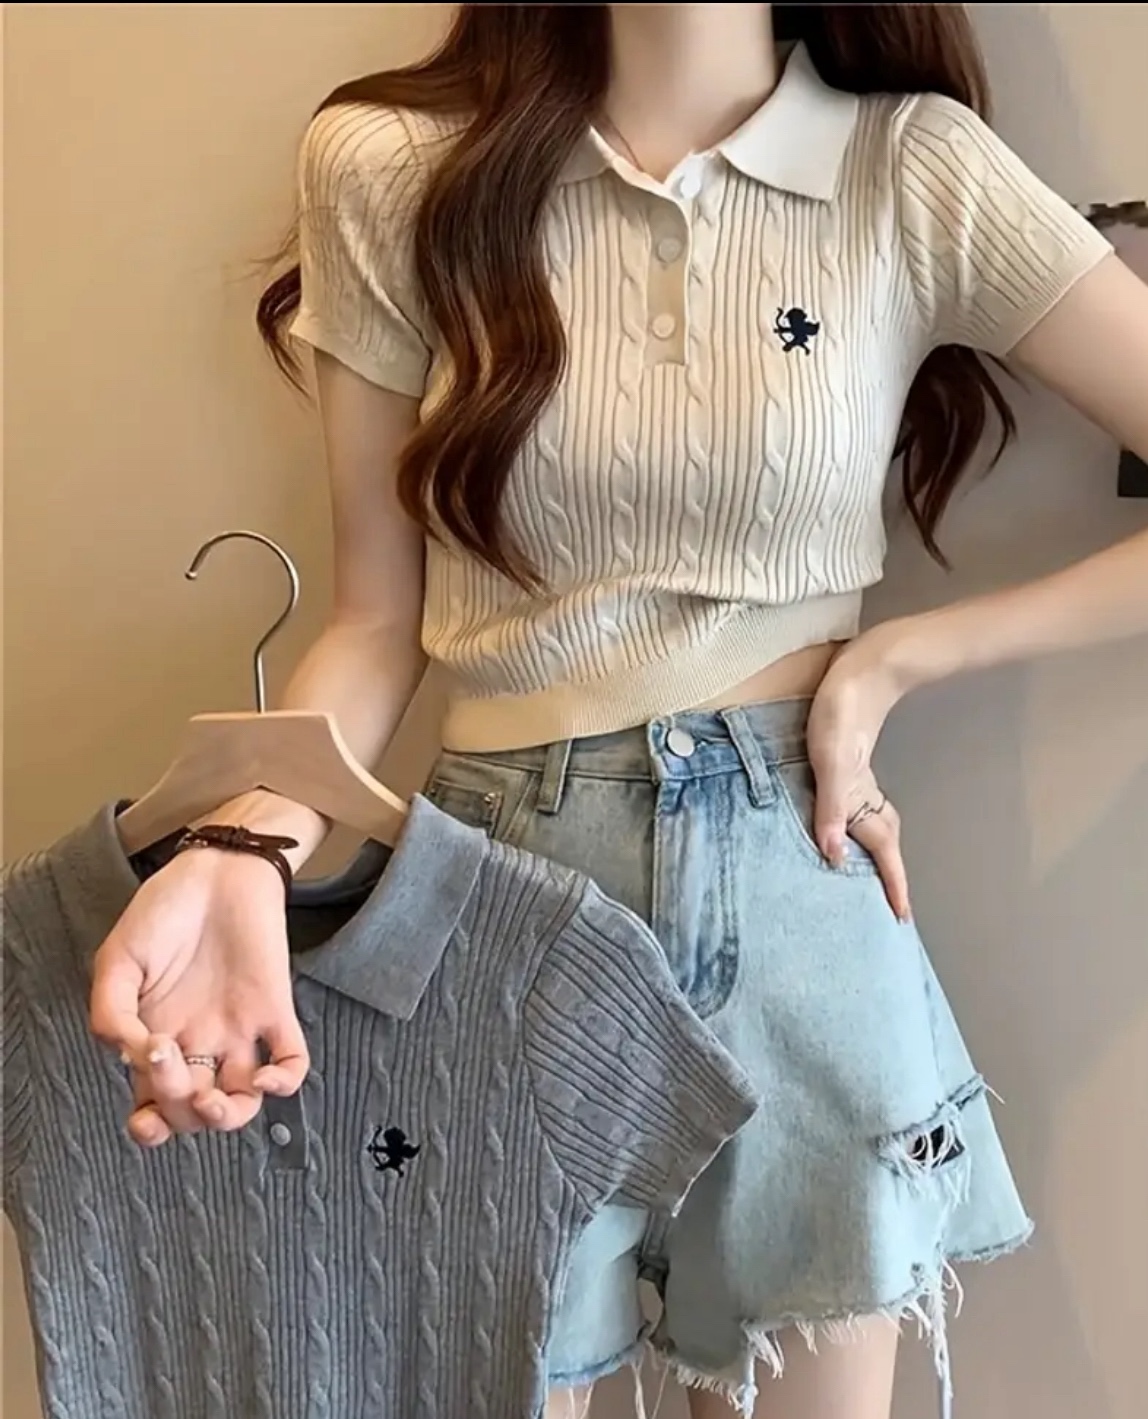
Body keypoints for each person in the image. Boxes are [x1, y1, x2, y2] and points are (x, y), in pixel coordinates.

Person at [90, 5, 1148, 1419]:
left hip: (802, 888)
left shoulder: (907, 168)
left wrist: (900, 660)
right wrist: (244, 843)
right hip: (496, 900)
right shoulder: (393, 167)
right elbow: (374, 625)